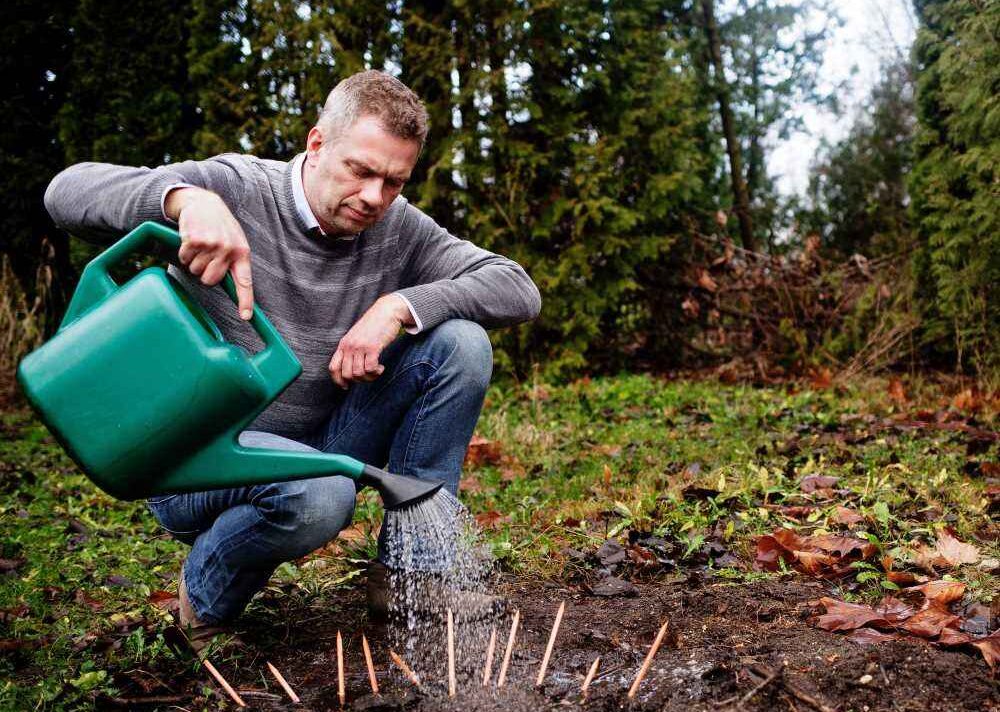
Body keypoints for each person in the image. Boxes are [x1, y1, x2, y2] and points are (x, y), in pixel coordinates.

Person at [44, 70, 541, 644]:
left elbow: (516, 287)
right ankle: (205, 598)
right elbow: (66, 191)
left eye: (394, 182)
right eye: (361, 170)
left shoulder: (397, 228)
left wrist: (399, 305)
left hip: (317, 445)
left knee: (459, 344)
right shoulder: (233, 187)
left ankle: (416, 577)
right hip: (196, 460)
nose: (375, 197)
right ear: (316, 142)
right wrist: (185, 201)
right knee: (320, 494)